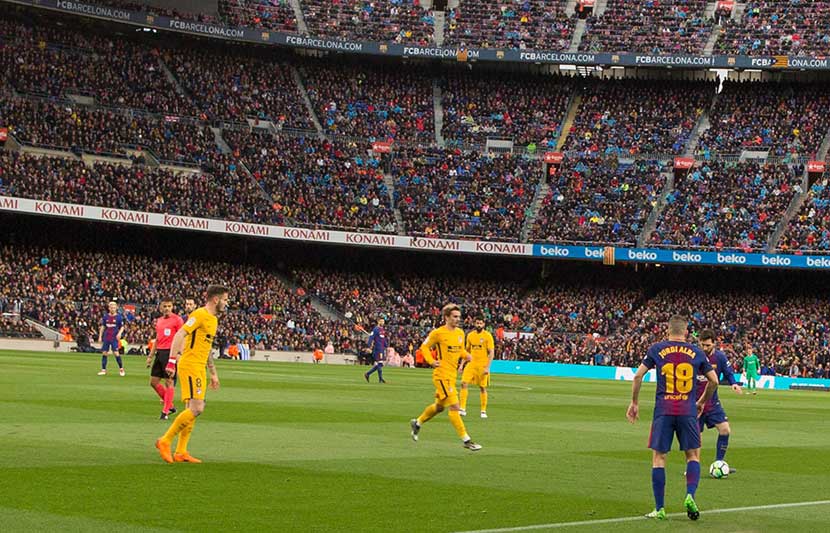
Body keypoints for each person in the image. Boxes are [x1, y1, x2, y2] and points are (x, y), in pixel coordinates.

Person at [626, 316, 718, 521]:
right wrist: (702, 401)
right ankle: (689, 495)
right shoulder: (697, 352)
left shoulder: (656, 349)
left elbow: (637, 376)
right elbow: (714, 381)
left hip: (664, 411)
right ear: (686, 332)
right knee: (693, 456)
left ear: (667, 331)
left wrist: (634, 402)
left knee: (659, 458)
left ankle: (659, 509)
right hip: (687, 410)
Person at [155, 285, 228, 464]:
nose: (227, 303)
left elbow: (207, 347)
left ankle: (181, 451)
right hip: (190, 365)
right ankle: (165, 440)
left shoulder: (214, 319)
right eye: (225, 300)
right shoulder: (199, 314)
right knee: (197, 408)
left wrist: (213, 373)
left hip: (200, 367)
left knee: (192, 409)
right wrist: (172, 361)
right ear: (216, 299)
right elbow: (180, 334)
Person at [410, 304, 482, 451]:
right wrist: (431, 361)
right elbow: (424, 347)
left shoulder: (461, 333)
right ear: (446, 317)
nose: (457, 319)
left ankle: (417, 422)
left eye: (459, 317)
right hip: (441, 375)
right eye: (454, 316)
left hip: (452, 375)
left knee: (439, 407)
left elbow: (459, 350)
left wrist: (466, 355)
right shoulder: (438, 333)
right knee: (455, 406)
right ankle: (466, 440)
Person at [696, 330, 742, 468]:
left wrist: (733, 383)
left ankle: (719, 462)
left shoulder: (720, 357)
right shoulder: (694, 356)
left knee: (725, 430)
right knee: (696, 437)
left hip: (712, 403)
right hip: (695, 404)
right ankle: (693, 466)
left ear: (714, 343)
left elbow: (728, 372)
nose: (705, 348)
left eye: (708, 345)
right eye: (703, 345)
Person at [146, 299, 183, 420]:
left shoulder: (177, 320)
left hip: (170, 353)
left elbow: (182, 337)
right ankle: (170, 405)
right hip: (160, 353)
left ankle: (165, 412)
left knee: (169, 382)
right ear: (161, 308)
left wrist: (179, 353)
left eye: (169, 306)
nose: (167, 308)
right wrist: (151, 356)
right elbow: (157, 339)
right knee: (153, 382)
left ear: (172, 307)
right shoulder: (159, 321)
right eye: (165, 306)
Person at [460, 316, 495, 418]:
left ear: (484, 324)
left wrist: (488, 367)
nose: (479, 325)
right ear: (474, 323)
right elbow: (466, 351)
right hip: (471, 364)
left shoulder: (487, 336)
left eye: (481, 323)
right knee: (463, 383)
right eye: (477, 323)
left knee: (482, 387)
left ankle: (483, 411)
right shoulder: (470, 335)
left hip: (482, 365)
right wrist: (461, 365)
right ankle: (462, 408)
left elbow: (491, 352)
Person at [97, 301, 125, 376]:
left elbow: (122, 327)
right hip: (107, 337)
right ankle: (103, 370)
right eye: (111, 307)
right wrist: (100, 336)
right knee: (104, 353)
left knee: (116, 353)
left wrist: (119, 333)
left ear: (116, 308)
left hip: (114, 337)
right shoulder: (105, 317)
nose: (112, 309)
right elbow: (103, 327)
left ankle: (121, 369)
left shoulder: (119, 317)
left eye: (114, 308)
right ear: (109, 308)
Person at [364, 318, 388, 383]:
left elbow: (383, 339)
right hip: (378, 349)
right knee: (380, 363)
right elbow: (371, 337)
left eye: (383, 321)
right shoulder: (375, 329)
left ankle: (368, 374)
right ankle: (380, 379)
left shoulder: (382, 330)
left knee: (380, 364)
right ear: (378, 322)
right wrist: (368, 346)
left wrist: (386, 345)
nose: (382, 322)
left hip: (382, 348)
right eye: (381, 321)